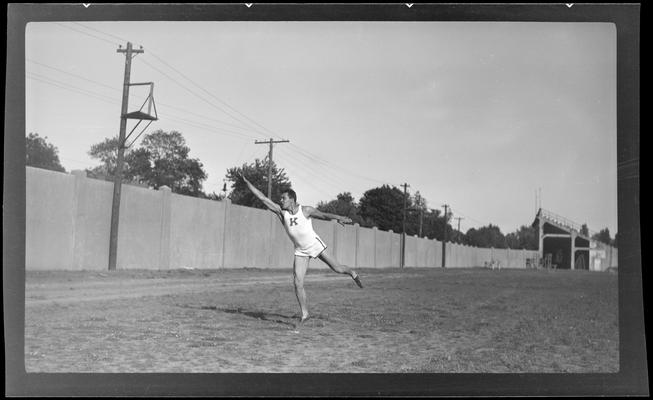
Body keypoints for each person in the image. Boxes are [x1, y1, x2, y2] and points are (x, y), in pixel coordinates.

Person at [240, 174, 363, 326]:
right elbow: (263, 198)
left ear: (291, 199)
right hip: (300, 251)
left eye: (283, 198)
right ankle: (305, 314)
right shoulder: (281, 213)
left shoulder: (305, 210)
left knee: (337, 268)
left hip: (315, 245)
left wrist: (339, 217)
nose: (281, 201)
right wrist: (247, 183)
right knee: (297, 282)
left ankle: (352, 272)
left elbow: (324, 215)